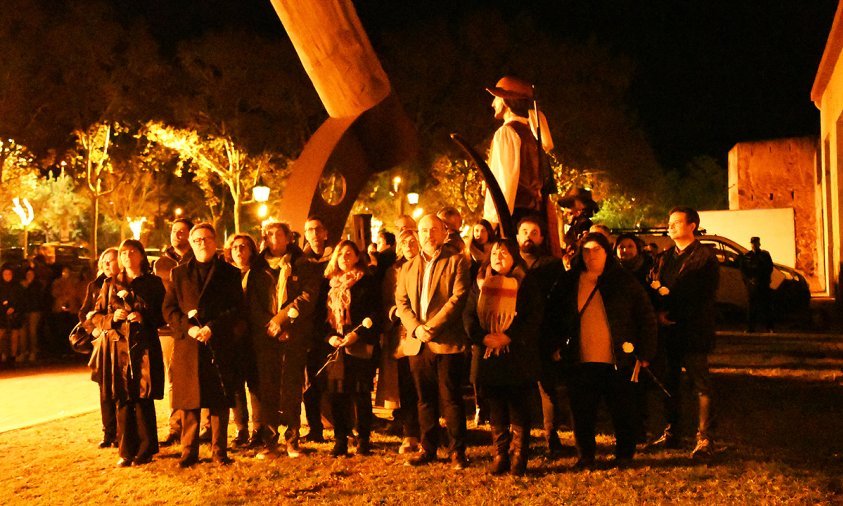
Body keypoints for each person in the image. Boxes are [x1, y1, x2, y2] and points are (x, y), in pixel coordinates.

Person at [553, 232, 657, 469]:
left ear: (606, 252)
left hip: (616, 360)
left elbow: (645, 316)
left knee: (622, 410)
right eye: (586, 251)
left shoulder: (623, 281)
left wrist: (645, 352)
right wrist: (556, 344)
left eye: (596, 250)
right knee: (582, 413)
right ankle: (586, 456)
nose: (591, 255)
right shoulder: (569, 282)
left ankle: (624, 454)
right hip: (581, 360)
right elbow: (554, 316)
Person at [163, 223, 246, 467]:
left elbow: (236, 308)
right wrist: (188, 328)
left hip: (218, 342)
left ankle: (219, 451)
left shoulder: (230, 273)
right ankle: (188, 452)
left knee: (219, 401)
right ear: (190, 242)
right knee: (190, 402)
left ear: (215, 241)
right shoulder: (178, 274)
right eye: (197, 239)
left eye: (206, 239)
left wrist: (213, 327)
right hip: (189, 344)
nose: (202, 243)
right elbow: (169, 308)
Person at [395, 214, 471, 469]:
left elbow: (458, 298)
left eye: (434, 230)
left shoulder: (457, 262)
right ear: (418, 234)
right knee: (423, 398)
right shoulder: (407, 267)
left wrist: (432, 327)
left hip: (446, 341)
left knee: (450, 398)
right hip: (418, 342)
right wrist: (417, 328)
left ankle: (457, 451)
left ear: (443, 232)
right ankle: (428, 448)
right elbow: (401, 303)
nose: (429, 235)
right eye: (424, 230)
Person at [463, 238, 544, 475]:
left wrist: (509, 336)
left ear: (514, 257)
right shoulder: (479, 283)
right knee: (495, 404)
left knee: (519, 405)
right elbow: (468, 315)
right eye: (496, 252)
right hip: (488, 354)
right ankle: (500, 453)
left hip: (517, 353)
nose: (499, 257)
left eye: (505, 253)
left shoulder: (526, 284)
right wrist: (483, 337)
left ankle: (519, 454)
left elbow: (534, 316)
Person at [647, 207, 719, 459]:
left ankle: (705, 437)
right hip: (668, 334)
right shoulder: (665, 257)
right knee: (670, 382)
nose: (671, 227)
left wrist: (674, 314)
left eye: (677, 222)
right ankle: (672, 431)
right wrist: (658, 313)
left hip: (693, 330)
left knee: (701, 384)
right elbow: (653, 284)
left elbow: (701, 294)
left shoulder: (704, 257)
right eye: (669, 223)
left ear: (692, 225)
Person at [89, 240, 166, 467]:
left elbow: (163, 315)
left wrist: (144, 317)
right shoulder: (110, 284)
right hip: (118, 348)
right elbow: (95, 316)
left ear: (142, 256)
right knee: (122, 397)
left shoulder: (153, 283)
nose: (127, 257)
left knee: (143, 397)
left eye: (132, 252)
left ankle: (146, 447)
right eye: (123, 253)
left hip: (144, 346)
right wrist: (112, 319)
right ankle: (125, 449)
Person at [257, 220, 321, 459]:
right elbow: (254, 301)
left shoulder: (303, 264)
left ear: (288, 237)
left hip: (293, 334)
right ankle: (270, 441)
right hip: (267, 336)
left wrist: (282, 321)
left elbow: (307, 296)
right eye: (269, 234)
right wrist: (270, 324)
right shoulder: (259, 266)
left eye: (278, 233)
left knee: (292, 388)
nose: (273, 238)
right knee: (269, 389)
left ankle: (292, 440)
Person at [516, 216, 568, 457]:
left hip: (544, 335)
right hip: (515, 336)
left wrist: (557, 340)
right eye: (524, 231)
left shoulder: (552, 265)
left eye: (534, 232)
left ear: (541, 238)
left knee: (547, 389)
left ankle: (551, 436)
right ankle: (519, 439)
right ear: (517, 237)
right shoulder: (508, 264)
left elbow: (560, 304)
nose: (528, 236)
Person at [322, 240, 381, 457]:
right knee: (337, 394)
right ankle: (340, 439)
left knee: (360, 393)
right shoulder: (329, 284)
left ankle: (363, 439)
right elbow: (322, 318)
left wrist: (358, 334)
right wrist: (330, 338)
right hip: (336, 346)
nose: (345, 257)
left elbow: (376, 313)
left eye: (349, 253)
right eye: (341, 254)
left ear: (357, 257)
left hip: (359, 344)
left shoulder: (367, 282)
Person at [482, 76, 553, 229]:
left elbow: (504, 183)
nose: (493, 103)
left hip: (513, 219)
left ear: (506, 101)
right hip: (532, 217)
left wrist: (492, 223)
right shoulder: (531, 135)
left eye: (496, 98)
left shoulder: (507, 133)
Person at [224, 233, 272, 449]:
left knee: (255, 384)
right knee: (235, 386)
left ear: (252, 250)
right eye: (234, 247)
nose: (239, 250)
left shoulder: (261, 274)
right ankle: (240, 428)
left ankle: (258, 428)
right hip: (232, 337)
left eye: (243, 246)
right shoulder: (225, 275)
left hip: (254, 336)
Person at [375, 228, 421, 454]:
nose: (409, 245)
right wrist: (395, 312)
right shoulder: (394, 272)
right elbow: (385, 301)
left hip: (428, 331)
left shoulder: (431, 265)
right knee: (408, 384)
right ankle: (410, 432)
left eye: (413, 241)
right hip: (404, 334)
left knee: (428, 385)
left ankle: (430, 430)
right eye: (404, 243)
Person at [152, 218, 196, 447]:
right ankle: (175, 426)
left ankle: (203, 426)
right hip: (167, 328)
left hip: (193, 325)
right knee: (174, 379)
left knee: (198, 376)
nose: (177, 235)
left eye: (182, 231)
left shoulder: (197, 258)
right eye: (174, 231)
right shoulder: (161, 263)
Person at [79, 248, 119, 449]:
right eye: (105, 261)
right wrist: (92, 329)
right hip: (101, 341)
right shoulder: (95, 285)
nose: (108, 264)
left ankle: (122, 431)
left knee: (119, 388)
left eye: (112, 260)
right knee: (104, 388)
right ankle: (108, 431)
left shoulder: (123, 284)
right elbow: (85, 312)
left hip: (119, 341)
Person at [301, 216, 334, 443]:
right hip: (309, 329)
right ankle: (315, 427)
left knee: (334, 380)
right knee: (311, 381)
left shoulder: (335, 259)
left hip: (333, 326)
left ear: (325, 233)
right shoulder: (302, 262)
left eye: (316, 229)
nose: (313, 234)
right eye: (309, 230)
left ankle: (339, 421)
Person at [741, 236, 774, 333]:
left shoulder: (764, 255)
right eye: (753, 243)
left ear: (759, 244)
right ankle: (751, 327)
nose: (754, 245)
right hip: (752, 285)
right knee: (752, 307)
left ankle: (769, 327)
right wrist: (749, 280)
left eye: (756, 243)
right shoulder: (747, 256)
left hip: (763, 283)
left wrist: (764, 279)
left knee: (766, 306)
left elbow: (769, 268)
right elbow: (743, 270)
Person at [0, 264, 24, 367]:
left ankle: (13, 356)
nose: (7, 276)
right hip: (1, 314)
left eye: (9, 274)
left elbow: (21, 299)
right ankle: (3, 354)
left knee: (14, 335)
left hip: (15, 314)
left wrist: (14, 307)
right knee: (2, 334)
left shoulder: (17, 286)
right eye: (5, 274)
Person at [19, 268, 44, 363]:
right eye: (28, 274)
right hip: (24, 310)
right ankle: (23, 352)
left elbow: (37, 297)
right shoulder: (22, 285)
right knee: (23, 332)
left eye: (31, 274)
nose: (29, 276)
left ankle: (33, 352)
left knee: (32, 331)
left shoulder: (37, 285)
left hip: (34, 310)